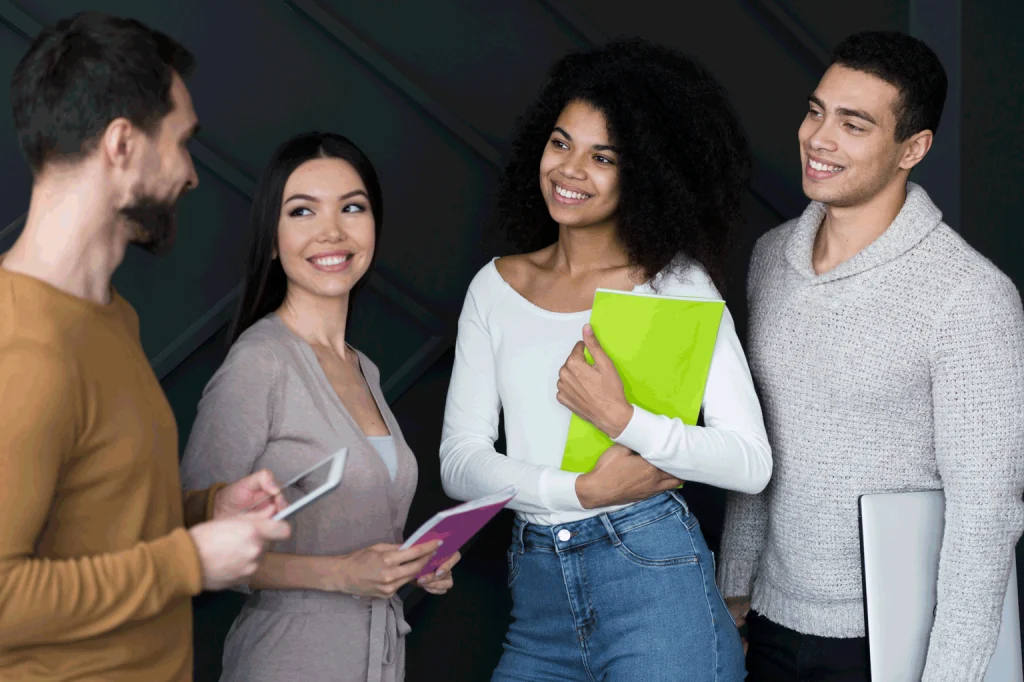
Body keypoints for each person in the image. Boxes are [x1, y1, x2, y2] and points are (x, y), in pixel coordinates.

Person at [439, 38, 772, 681]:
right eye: (561, 143)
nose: (570, 170)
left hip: (652, 582)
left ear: (644, 174)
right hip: (537, 595)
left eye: (603, 157)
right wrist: (580, 490)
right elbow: (460, 462)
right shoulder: (496, 287)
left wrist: (625, 422)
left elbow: (750, 462)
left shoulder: (673, 284)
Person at [718, 31, 1024, 681]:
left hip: (889, 641)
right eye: (816, 111)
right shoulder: (772, 257)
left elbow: (987, 515)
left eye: (853, 124)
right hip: (768, 622)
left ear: (913, 147)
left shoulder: (971, 297)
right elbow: (760, 437)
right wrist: (733, 596)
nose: (819, 138)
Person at [0, 12, 293, 682]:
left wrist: (209, 510)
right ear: (123, 144)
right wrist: (191, 560)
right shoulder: (19, 346)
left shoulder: (110, 317)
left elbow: (97, 514)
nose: (191, 174)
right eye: (181, 141)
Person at [179, 131, 460, 682]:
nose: (332, 231)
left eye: (352, 208)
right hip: (289, 660)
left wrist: (410, 559)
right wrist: (342, 574)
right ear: (272, 238)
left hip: (377, 661)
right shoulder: (260, 363)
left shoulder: (364, 368)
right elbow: (193, 539)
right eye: (302, 211)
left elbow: (352, 526)